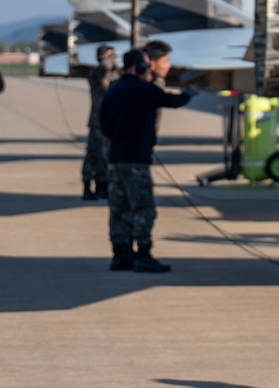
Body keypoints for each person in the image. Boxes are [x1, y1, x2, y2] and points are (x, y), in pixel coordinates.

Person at [97, 40, 196, 272]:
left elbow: (104, 126)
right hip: (136, 158)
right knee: (143, 207)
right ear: (139, 66)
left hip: (116, 158)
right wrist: (190, 92)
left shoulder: (113, 90)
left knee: (119, 208)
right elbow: (173, 101)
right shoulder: (144, 90)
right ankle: (143, 254)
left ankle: (121, 254)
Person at [80, 44, 120, 200]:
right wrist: (108, 61)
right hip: (97, 122)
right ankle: (87, 186)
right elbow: (102, 70)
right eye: (109, 56)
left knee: (107, 156)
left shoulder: (116, 76)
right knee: (93, 155)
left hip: (112, 123)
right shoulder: (95, 74)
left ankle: (103, 186)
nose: (113, 59)